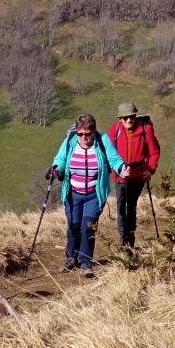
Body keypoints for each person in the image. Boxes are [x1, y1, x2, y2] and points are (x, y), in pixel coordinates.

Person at [48, 113, 129, 277]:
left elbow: (113, 159)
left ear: (94, 131)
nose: (84, 137)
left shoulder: (102, 141)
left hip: (94, 194)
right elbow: (61, 158)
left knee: (88, 227)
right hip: (73, 193)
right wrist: (56, 168)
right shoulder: (70, 141)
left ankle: (85, 262)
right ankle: (71, 258)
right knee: (74, 225)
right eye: (81, 133)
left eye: (88, 133)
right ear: (76, 132)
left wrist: (121, 168)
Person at [106, 101, 160, 249]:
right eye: (125, 118)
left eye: (132, 116)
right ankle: (123, 239)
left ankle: (130, 238)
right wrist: (114, 169)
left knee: (131, 205)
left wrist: (150, 169)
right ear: (120, 119)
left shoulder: (145, 129)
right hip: (120, 175)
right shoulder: (114, 131)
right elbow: (108, 153)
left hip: (138, 175)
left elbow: (154, 151)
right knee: (121, 206)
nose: (129, 120)